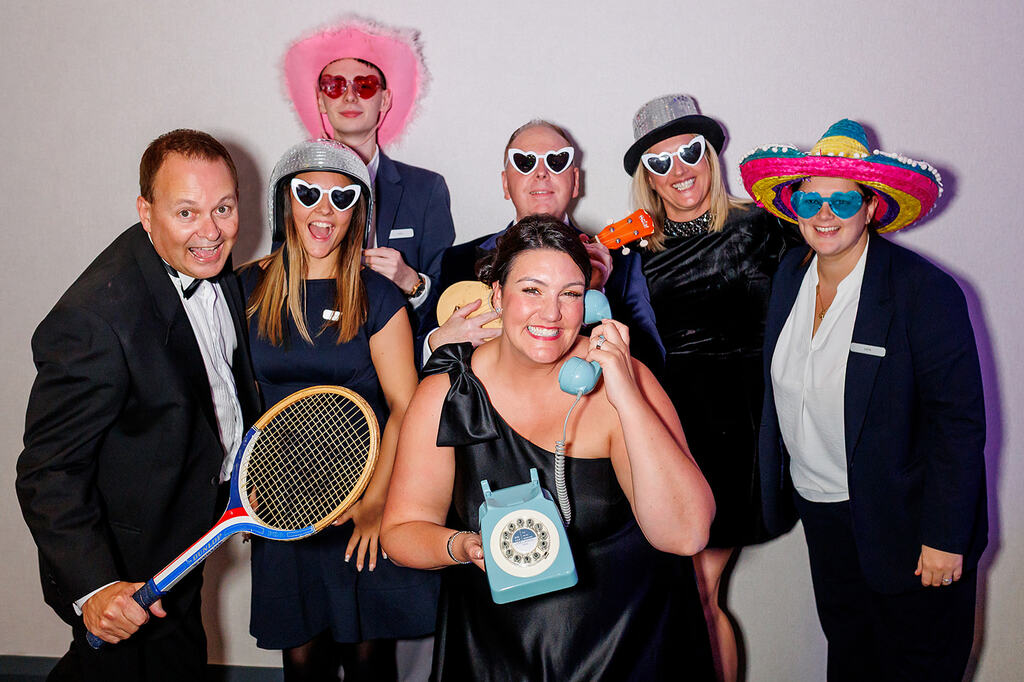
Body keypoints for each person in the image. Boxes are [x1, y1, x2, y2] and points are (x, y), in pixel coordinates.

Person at [381, 215, 716, 681]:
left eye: (571, 294)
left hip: (628, 642)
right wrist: (462, 546)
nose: (552, 313)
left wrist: (626, 396)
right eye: (532, 290)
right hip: (497, 649)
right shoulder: (446, 392)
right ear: (497, 295)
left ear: (590, 302)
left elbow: (686, 535)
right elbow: (400, 531)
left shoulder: (621, 379)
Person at [740, 119, 987, 681]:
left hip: (909, 524)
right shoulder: (789, 275)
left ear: (872, 207)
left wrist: (945, 537)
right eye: (811, 200)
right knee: (851, 659)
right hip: (824, 515)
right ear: (794, 206)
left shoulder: (924, 291)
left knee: (918, 666)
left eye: (844, 200)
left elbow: (958, 423)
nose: (825, 214)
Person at [16, 129, 261, 681]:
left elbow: (217, 388)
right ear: (146, 213)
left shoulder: (212, 265)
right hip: (125, 568)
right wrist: (96, 589)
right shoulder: (95, 319)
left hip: (186, 540)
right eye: (186, 212)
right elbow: (48, 471)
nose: (211, 231)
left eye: (223, 208)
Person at [239, 139, 436, 681]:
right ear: (286, 201)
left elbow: (406, 406)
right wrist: (243, 489)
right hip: (279, 504)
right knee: (302, 663)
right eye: (309, 194)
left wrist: (376, 503)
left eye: (342, 197)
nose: (324, 210)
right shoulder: (245, 289)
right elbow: (234, 399)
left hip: (361, 499)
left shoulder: (379, 296)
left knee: (368, 661)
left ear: (358, 211)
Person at [622, 93, 801, 681]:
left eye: (690, 152)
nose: (679, 170)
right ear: (648, 177)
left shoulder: (765, 225)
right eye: (660, 161)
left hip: (745, 428)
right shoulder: (631, 253)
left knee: (700, 589)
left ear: (710, 156)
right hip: (675, 428)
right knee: (683, 594)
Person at [423, 119, 665, 374]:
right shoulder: (458, 260)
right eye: (524, 162)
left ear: (575, 182)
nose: (541, 173)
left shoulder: (622, 265)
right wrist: (436, 343)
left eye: (556, 161)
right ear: (505, 184)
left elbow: (650, 363)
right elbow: (414, 361)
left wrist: (595, 296)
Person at [284, 19, 455, 344]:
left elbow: (448, 299)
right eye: (335, 86)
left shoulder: (426, 190)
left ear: (385, 100)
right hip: (316, 352)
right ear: (320, 100)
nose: (349, 97)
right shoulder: (295, 188)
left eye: (364, 86)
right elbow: (281, 282)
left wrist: (412, 282)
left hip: (402, 354)